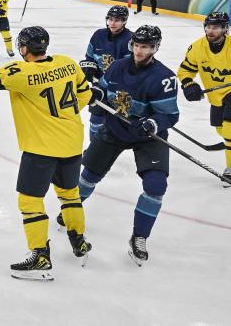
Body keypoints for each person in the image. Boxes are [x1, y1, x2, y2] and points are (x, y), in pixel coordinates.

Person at [0, 26, 93, 281]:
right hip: (73, 143)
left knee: (30, 202)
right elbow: (85, 95)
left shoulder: (20, 73)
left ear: (24, 48)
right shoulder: (68, 64)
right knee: (70, 195)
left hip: (41, 148)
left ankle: (40, 256)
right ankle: (79, 242)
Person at [76, 25, 179, 266]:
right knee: (89, 174)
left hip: (147, 137)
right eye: (137, 45)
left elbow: (170, 115)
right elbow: (102, 90)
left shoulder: (164, 77)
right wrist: (96, 97)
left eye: (145, 47)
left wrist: (152, 122)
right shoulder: (117, 66)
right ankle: (72, 209)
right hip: (115, 129)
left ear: (155, 48)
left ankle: (140, 236)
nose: (139, 51)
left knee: (156, 185)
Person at [177, 11, 231, 184]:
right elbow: (186, 70)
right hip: (216, 94)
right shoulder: (197, 48)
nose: (210, 31)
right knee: (220, 129)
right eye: (208, 27)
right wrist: (188, 84)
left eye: (215, 27)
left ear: (225, 29)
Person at [81, 5, 133, 141]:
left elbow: (128, 68)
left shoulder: (130, 40)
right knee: (96, 118)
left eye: (117, 20)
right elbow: (89, 57)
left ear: (124, 21)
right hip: (99, 87)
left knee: (117, 123)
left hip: (119, 89)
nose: (112, 23)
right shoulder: (98, 35)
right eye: (110, 19)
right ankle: (94, 148)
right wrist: (89, 67)